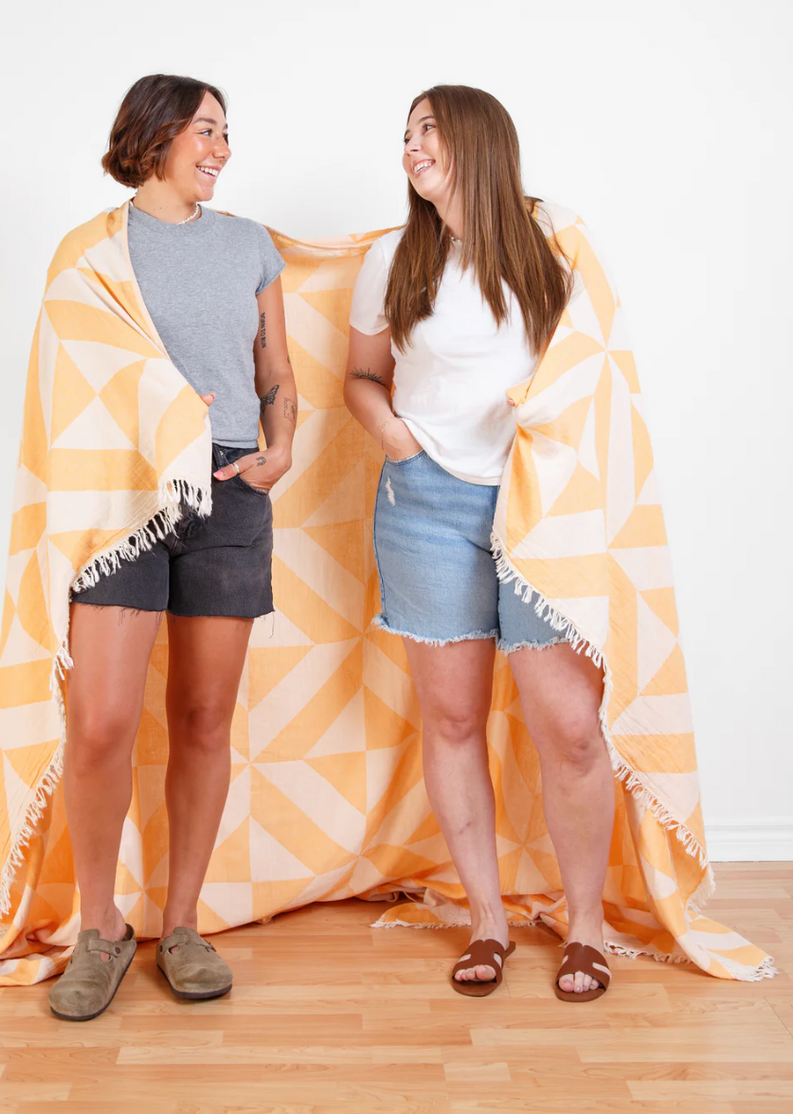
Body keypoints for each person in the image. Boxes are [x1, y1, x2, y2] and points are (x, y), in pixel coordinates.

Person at [345, 85, 613, 1001]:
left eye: (430, 130)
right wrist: (396, 437)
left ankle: (587, 926)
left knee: (568, 727)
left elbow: (598, 368)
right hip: (425, 504)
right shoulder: (393, 259)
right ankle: (488, 921)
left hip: (541, 508)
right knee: (454, 720)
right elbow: (359, 377)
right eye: (406, 131)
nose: (412, 145)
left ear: (479, 143)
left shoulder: (553, 246)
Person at [47, 74, 297, 1020]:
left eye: (228, 133)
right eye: (206, 130)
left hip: (230, 488)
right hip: (120, 490)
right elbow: (65, 388)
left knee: (202, 715)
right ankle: (101, 927)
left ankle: (181, 923)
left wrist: (282, 442)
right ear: (153, 135)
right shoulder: (91, 254)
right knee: (101, 721)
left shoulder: (249, 246)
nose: (222, 149)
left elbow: (275, 369)